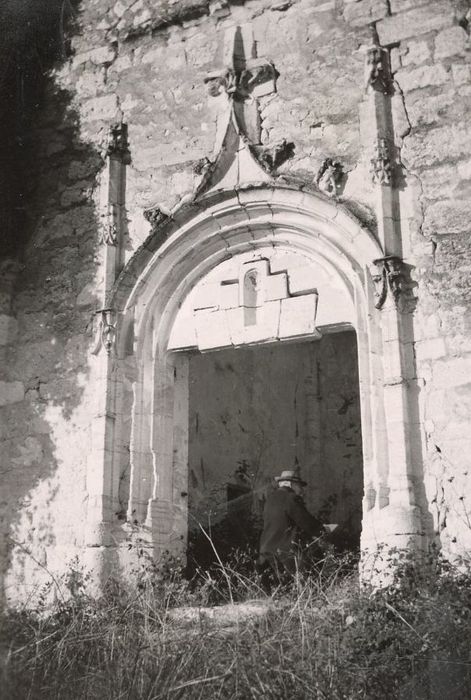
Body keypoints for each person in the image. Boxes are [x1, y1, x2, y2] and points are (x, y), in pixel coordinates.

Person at [257, 469, 324, 587]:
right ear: (290, 484)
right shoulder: (291, 498)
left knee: (274, 592)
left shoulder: (270, 499)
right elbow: (306, 522)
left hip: (266, 551)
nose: (302, 491)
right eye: (299, 486)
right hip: (285, 553)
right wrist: (322, 530)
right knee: (311, 570)